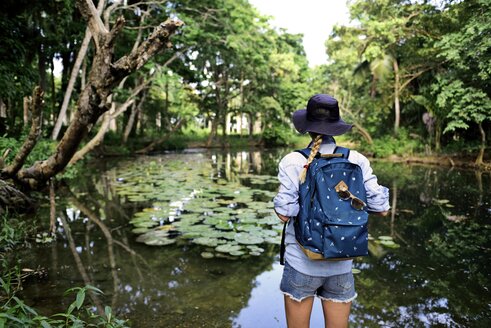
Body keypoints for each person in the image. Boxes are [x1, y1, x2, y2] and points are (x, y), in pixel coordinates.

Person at [273, 94, 390, 328]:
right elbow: (382, 208)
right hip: (342, 264)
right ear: (336, 127)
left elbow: (285, 213)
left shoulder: (293, 161)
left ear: (306, 127)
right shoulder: (356, 159)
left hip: (302, 263)